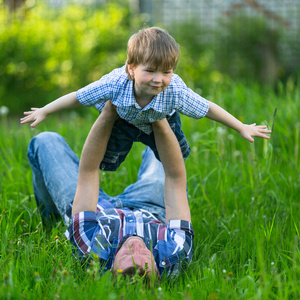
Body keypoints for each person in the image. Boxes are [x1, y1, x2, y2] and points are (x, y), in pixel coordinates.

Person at [21, 27, 271, 171]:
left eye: (166, 72)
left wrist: (241, 127)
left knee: (175, 160)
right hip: (122, 119)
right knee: (106, 162)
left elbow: (207, 108)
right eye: (150, 71)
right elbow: (79, 96)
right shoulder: (115, 83)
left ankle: (163, 167)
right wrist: (45, 110)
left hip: (163, 120)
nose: (158, 79)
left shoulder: (175, 90)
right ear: (131, 68)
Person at [27, 101, 193, 280]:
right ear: (158, 269)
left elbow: (88, 171)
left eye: (127, 254)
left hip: (96, 209)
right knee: (167, 147)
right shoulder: (175, 254)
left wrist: (109, 110)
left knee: (45, 141)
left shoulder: (90, 249)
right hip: (150, 207)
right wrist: (158, 116)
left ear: (111, 266)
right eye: (145, 255)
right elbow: (175, 179)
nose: (135, 244)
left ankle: (50, 223)